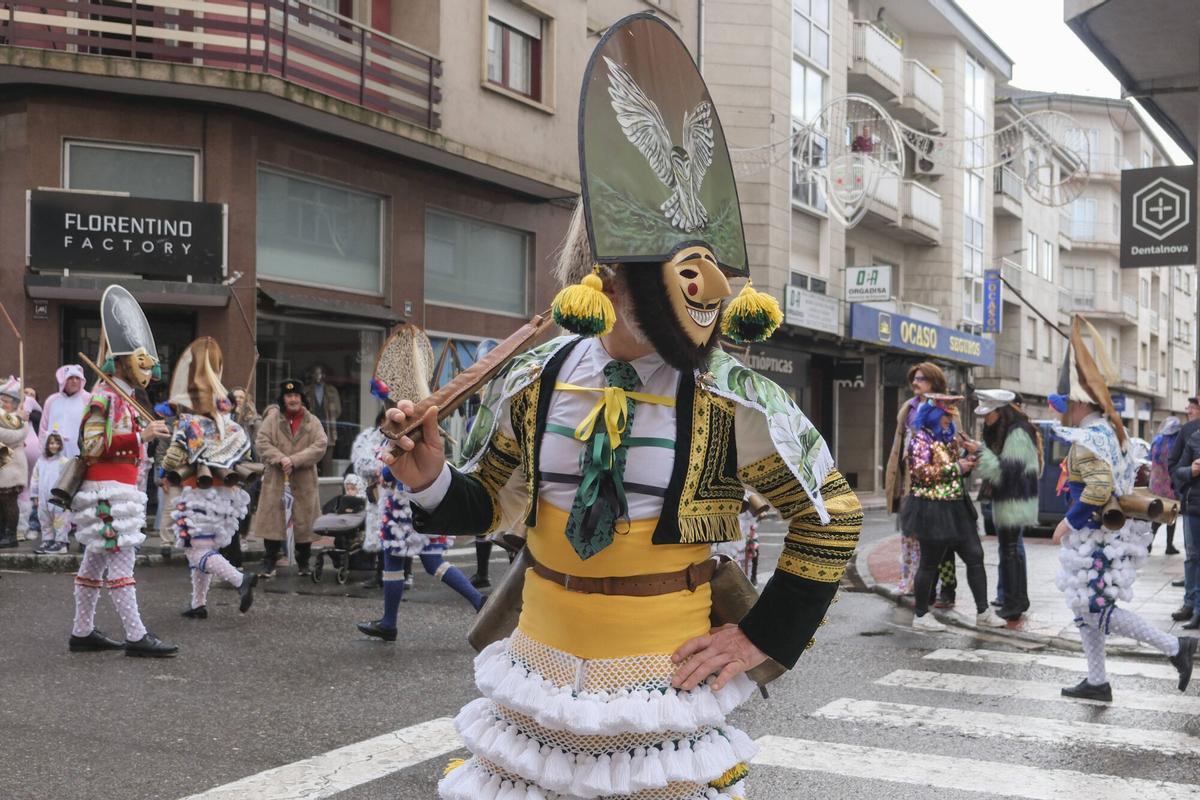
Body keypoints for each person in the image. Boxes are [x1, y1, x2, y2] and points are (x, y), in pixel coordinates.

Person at [385, 16, 862, 797]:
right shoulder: (535, 377)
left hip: (659, 682)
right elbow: (489, 504)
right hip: (538, 674)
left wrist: (757, 638)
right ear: (605, 276)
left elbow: (831, 516)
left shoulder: (730, 394)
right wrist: (431, 478)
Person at [1051, 315, 1195, 701]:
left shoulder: (1090, 437)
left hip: (1094, 536)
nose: (1061, 411)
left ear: (1079, 403)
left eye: (1065, 404)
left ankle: (1175, 647)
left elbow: (1099, 487)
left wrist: (1067, 523)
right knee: (1086, 610)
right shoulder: (1108, 431)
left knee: (1096, 608)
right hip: (1101, 536)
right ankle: (1097, 681)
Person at [69, 285, 178, 657]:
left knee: (94, 563)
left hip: (120, 489)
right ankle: (135, 635)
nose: (146, 369)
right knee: (121, 562)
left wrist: (144, 437)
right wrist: (140, 436)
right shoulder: (104, 395)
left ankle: (82, 631)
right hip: (109, 492)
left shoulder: (125, 397)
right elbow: (91, 444)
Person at [161, 337, 257, 620]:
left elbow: (171, 461)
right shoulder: (233, 426)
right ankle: (198, 604)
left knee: (196, 551)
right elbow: (245, 454)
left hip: (199, 494)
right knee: (203, 548)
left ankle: (240, 579)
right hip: (226, 497)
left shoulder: (190, 424)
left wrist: (172, 448)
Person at [903, 394, 1007, 632]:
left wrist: (967, 463)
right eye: (946, 416)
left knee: (975, 555)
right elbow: (920, 472)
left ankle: (983, 612)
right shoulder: (920, 439)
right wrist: (956, 467)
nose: (950, 420)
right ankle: (921, 615)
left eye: (951, 416)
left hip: (958, 507)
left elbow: (954, 470)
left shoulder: (948, 440)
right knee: (929, 563)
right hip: (932, 508)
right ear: (934, 415)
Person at [356, 466, 483, 642]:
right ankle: (480, 601)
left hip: (404, 500)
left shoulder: (402, 446)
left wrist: (385, 472)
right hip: (427, 495)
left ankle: (388, 624)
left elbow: (400, 458)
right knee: (433, 561)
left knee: (394, 560)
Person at [884, 361, 956, 601]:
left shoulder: (947, 407)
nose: (915, 383)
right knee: (908, 534)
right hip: (910, 481)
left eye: (921, 378)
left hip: (937, 484)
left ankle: (943, 588)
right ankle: (909, 582)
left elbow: (952, 444)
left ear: (934, 382)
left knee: (938, 541)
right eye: (914, 378)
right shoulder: (909, 407)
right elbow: (900, 445)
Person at [973, 389, 1040, 621]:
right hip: (1011, 500)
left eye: (988, 414)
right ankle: (1016, 600)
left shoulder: (1018, 433)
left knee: (1011, 552)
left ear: (1000, 411)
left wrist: (980, 452)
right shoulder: (1011, 430)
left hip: (1014, 501)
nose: (985, 419)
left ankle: (1014, 604)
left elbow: (1006, 472)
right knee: (1010, 551)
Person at [253, 378, 327, 578]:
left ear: (302, 398)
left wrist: (294, 460)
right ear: (283, 399)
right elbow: (262, 442)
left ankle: (303, 563)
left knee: (304, 522)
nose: (293, 399)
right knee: (273, 522)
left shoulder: (312, 421)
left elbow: (320, 445)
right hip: (277, 480)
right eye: (289, 396)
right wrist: (280, 459)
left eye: (296, 395)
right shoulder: (272, 420)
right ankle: (269, 562)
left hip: (304, 481)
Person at [1169, 396, 1200, 623]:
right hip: (1193, 505)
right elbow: (1174, 467)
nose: (1190, 410)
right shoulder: (1190, 432)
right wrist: (1190, 473)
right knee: (1192, 556)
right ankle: (1190, 604)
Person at [0, 379, 31, 549]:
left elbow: (14, 437)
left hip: (12, 465)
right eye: (1, 400)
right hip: (2, 463)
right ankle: (1, 533)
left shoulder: (21, 419)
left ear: (15, 404)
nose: (3, 403)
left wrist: (18, 419)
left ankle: (11, 534)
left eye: (7, 401)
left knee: (9, 501)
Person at [31, 432, 71, 554]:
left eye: (57, 443)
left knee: (60, 520)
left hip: (58, 498)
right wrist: (35, 495)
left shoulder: (64, 461)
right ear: (47, 444)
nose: (54, 446)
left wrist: (66, 496)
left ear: (61, 445)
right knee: (44, 519)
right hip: (43, 498)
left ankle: (61, 542)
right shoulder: (41, 461)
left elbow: (68, 480)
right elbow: (35, 478)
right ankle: (47, 540)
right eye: (51, 443)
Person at [39, 364, 88, 459]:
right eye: (71, 378)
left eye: (77, 378)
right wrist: (43, 452)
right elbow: (43, 428)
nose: (74, 381)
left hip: (78, 454)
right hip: (54, 454)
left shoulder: (88, 399)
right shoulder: (52, 400)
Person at [1148, 416, 1181, 554]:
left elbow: (1149, 458)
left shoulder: (1156, 441)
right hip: (1170, 484)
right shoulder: (1176, 444)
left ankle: (1149, 543)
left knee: (1158, 513)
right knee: (1171, 513)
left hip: (1156, 484)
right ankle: (1169, 545)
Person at [304, 365, 341, 475]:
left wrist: (330, 419)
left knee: (327, 462)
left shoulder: (332, 391)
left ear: (324, 375)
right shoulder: (306, 391)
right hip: (311, 430)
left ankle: (327, 482)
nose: (318, 376)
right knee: (311, 461)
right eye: (315, 373)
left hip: (328, 429)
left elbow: (338, 410)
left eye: (320, 373)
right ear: (312, 375)